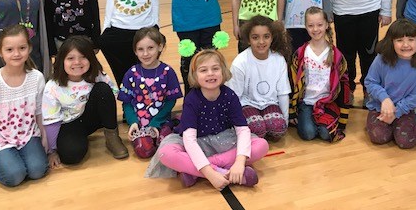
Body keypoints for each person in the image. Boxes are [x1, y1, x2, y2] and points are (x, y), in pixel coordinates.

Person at [146, 50, 269, 189]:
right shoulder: (192, 99)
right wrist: (210, 173)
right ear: (195, 75)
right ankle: (222, 172)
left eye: (215, 68)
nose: (210, 73)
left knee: (262, 145)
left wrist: (240, 162)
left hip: (225, 140)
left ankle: (193, 171)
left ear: (223, 71)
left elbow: (242, 130)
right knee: (165, 153)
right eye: (203, 70)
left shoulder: (230, 95)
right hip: (197, 142)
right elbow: (189, 139)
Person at [0, 25, 48, 187]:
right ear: (0, 52)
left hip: (28, 136)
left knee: (37, 171)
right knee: (14, 176)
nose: (16, 54)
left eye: (22, 48)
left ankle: (21, 157)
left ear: (29, 49)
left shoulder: (37, 78)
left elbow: (39, 111)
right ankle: (6, 159)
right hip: (2, 140)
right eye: (9, 49)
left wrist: (44, 137)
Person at [43, 36, 129, 166]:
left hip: (92, 118)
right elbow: (51, 121)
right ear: (61, 61)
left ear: (91, 59)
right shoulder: (52, 87)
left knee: (103, 89)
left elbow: (114, 95)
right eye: (70, 58)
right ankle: (78, 139)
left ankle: (112, 137)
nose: (77, 62)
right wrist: (52, 151)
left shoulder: (97, 75)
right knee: (71, 156)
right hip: (70, 124)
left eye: (83, 57)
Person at [364, 19, 416, 149]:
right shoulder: (381, 59)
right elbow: (370, 82)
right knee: (379, 136)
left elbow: (415, 98)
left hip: (404, 109)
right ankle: (392, 128)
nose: (406, 45)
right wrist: (385, 99)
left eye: (411, 40)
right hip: (379, 106)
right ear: (392, 42)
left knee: (404, 141)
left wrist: (396, 113)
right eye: (399, 40)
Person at [118, 27, 183, 158]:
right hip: (139, 124)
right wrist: (133, 122)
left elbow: (171, 101)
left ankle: (173, 125)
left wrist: (156, 122)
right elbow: (127, 103)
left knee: (166, 146)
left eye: (150, 48)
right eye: (140, 49)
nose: (145, 53)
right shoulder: (131, 74)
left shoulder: (168, 72)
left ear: (160, 47)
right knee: (144, 151)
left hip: (161, 120)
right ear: (135, 51)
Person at [289, 7, 350, 142]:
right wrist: (291, 111)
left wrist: (344, 117)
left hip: (328, 102)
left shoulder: (336, 55)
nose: (315, 29)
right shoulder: (300, 53)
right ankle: (311, 120)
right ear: (305, 26)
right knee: (308, 134)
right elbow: (292, 82)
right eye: (311, 25)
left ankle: (321, 122)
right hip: (307, 102)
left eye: (319, 25)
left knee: (326, 134)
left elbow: (345, 85)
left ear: (327, 24)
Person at [226, 16, 292, 140]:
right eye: (255, 37)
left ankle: (265, 123)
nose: (261, 42)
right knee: (257, 129)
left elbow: (283, 93)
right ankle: (257, 126)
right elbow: (234, 97)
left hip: (269, 103)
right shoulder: (240, 62)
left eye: (266, 36)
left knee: (278, 128)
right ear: (248, 40)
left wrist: (285, 120)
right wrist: (236, 125)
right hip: (247, 104)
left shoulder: (278, 59)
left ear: (272, 37)